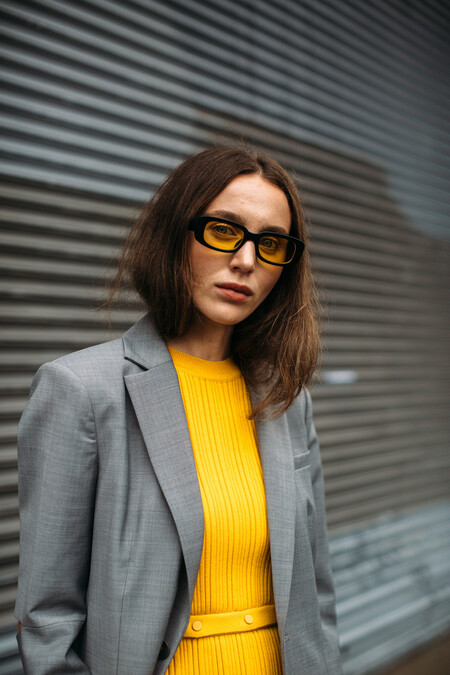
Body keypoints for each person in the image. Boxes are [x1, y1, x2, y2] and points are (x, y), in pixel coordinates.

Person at [15, 146, 342, 674]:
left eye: (271, 243)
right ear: (175, 235)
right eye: (224, 231)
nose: (246, 261)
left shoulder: (284, 398)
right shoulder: (82, 390)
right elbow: (47, 616)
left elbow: (315, 587)